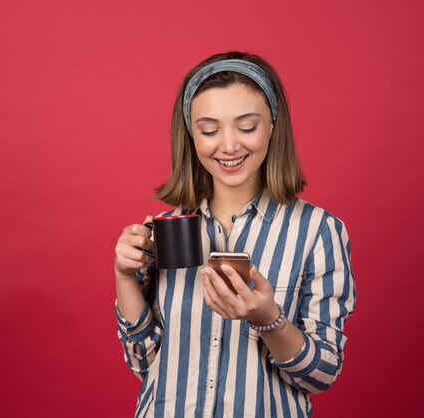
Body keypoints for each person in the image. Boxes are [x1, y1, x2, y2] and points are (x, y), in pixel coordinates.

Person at [113, 51, 356, 418]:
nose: (228, 146)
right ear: (191, 136)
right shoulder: (164, 232)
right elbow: (145, 363)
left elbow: (322, 374)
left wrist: (268, 319)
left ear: (273, 125)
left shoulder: (318, 232)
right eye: (209, 130)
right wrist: (124, 275)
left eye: (246, 127)